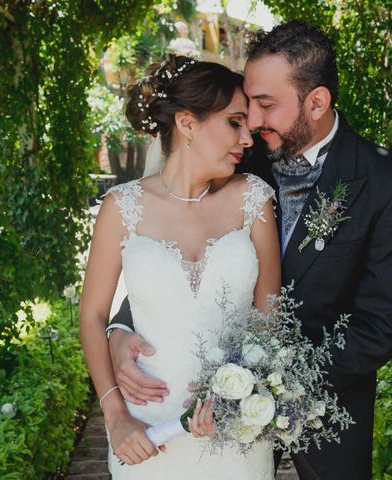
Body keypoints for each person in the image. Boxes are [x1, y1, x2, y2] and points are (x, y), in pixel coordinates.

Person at [107, 20, 392, 479]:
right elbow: (176, 251)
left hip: (325, 414)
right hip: (201, 416)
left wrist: (265, 387)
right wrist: (119, 330)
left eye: (265, 105)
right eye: (247, 104)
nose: (250, 122)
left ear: (316, 102)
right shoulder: (235, 153)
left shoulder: (387, 182)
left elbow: (383, 324)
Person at [79, 54, 281, 479]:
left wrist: (234, 399)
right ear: (187, 124)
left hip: (234, 434)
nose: (248, 138)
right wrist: (115, 415)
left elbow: (269, 318)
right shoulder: (122, 207)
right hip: (147, 434)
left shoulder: (254, 199)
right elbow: (93, 315)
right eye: (234, 122)